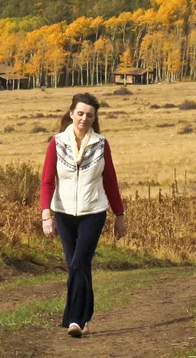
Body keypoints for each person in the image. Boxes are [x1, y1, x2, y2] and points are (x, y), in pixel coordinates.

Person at [41, 92, 126, 338]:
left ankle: (74, 320)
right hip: (63, 213)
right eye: (80, 113)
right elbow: (47, 181)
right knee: (77, 266)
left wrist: (119, 215)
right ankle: (85, 316)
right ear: (71, 114)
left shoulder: (101, 144)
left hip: (93, 213)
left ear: (95, 118)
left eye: (90, 115)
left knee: (79, 262)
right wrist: (47, 214)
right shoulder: (56, 143)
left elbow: (110, 181)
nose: (84, 118)